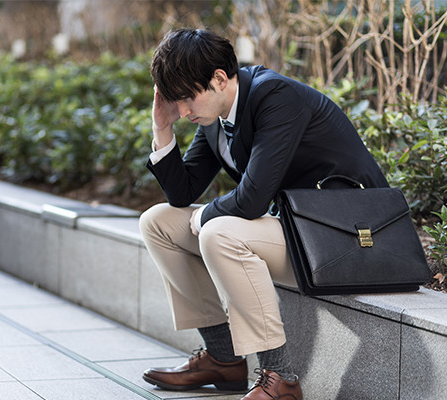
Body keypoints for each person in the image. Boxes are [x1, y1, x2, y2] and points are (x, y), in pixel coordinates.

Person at [139, 28, 389, 399]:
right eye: (177, 101)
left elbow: (253, 199)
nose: (184, 111)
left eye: (188, 98)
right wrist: (162, 128)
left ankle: (281, 379)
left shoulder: (275, 96)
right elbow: (182, 193)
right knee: (157, 223)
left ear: (219, 79)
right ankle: (223, 358)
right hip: (302, 232)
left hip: (349, 237)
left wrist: (204, 216)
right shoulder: (214, 116)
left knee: (218, 232)